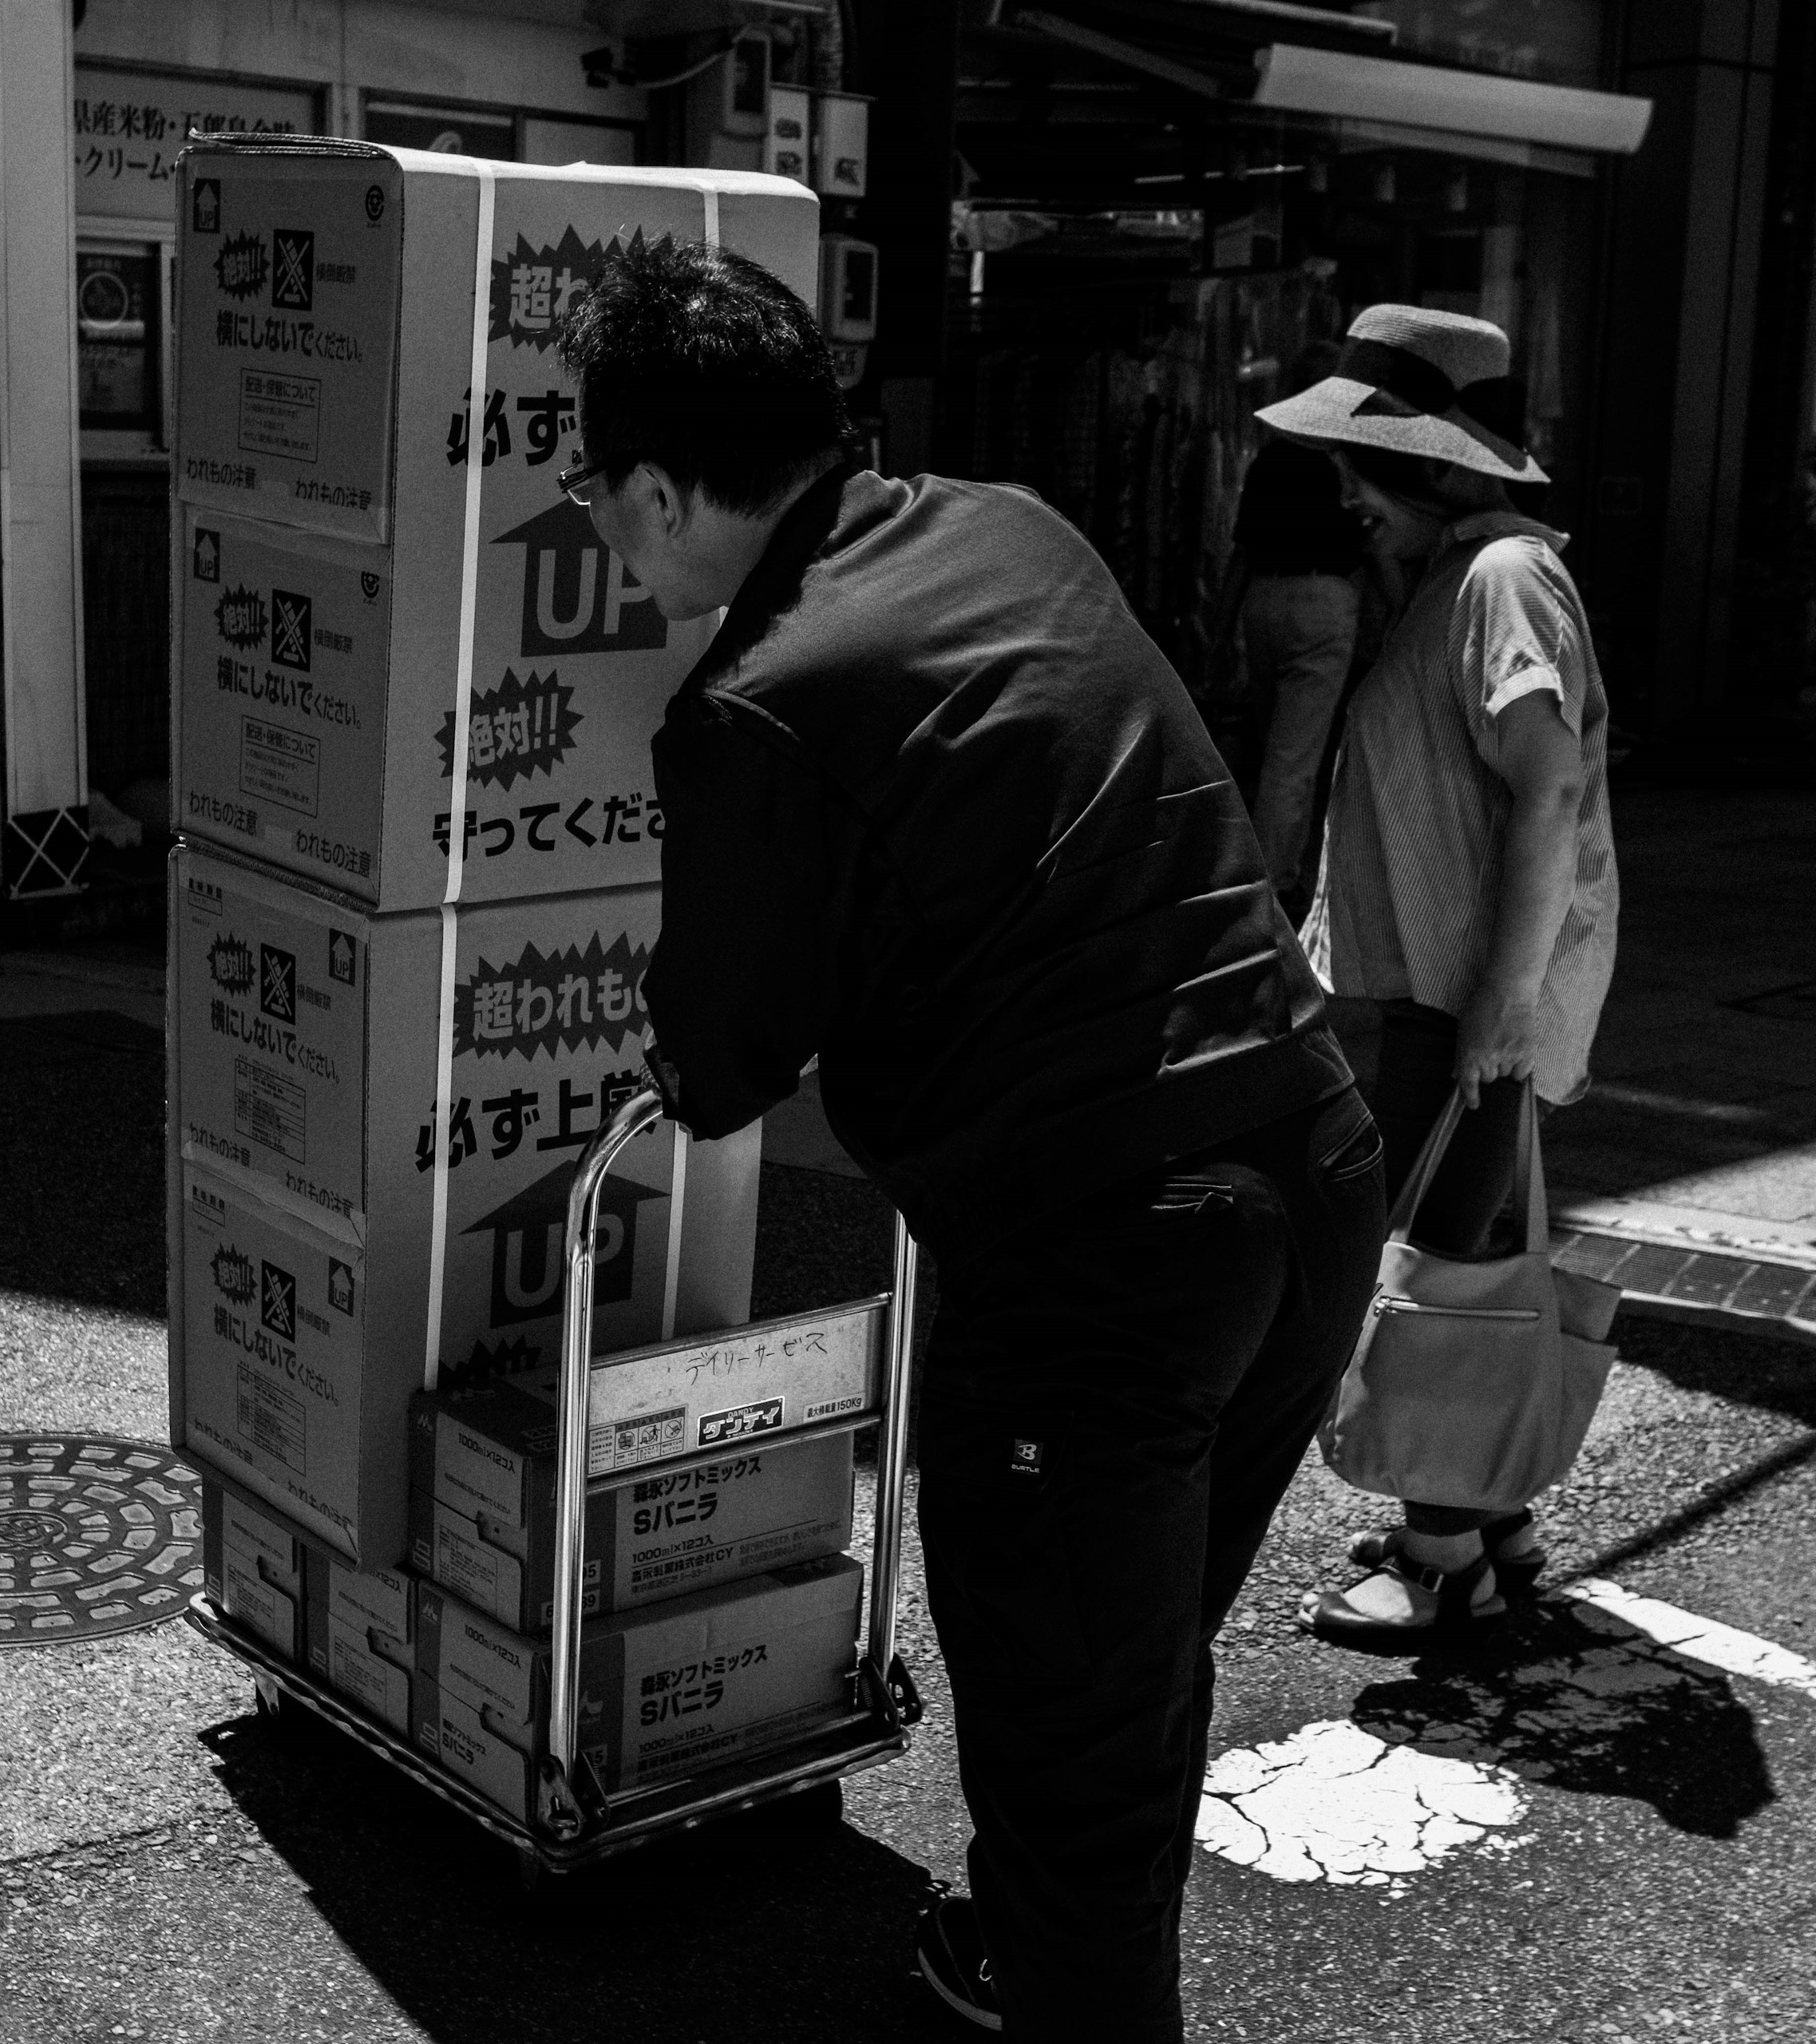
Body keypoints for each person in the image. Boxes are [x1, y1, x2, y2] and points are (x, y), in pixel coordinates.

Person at [559, 240, 1387, 2042]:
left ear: (655, 485)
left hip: (1108, 1251)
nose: (606, 541)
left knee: (1077, 1740)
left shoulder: (752, 702)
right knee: (1127, 1674)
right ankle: (1017, 1945)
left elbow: (717, 1061)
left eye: (595, 493)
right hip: (1312, 1166)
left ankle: (1064, 1975)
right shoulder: (1009, 526)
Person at [1254, 305, 1620, 1646]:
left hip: (1458, 997)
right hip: (1435, 989)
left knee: (1445, 1266)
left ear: (1436, 463)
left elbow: (1549, 786)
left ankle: (1439, 1557)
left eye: (1366, 459)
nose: (1345, 488)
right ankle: (1487, 1519)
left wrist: (1504, 1005)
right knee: (1459, 1248)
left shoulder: (1500, 578)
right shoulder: (1463, 575)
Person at [1205, 344, 1372, 913]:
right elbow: (1373, 547)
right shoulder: (1344, 463)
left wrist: (1221, 632)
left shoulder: (1269, 460)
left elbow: (1242, 554)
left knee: (1269, 740)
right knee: (1293, 755)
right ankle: (1271, 882)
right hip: (1325, 599)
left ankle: (1257, 867)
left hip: (1265, 600)